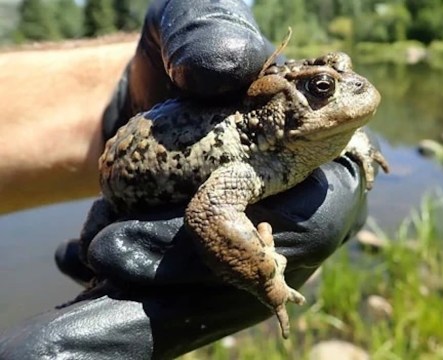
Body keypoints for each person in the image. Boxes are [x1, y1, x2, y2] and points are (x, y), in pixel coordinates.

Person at [0, 0, 379, 358]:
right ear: (277, 112)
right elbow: (211, 209)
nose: (357, 86)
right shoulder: (250, 158)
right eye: (322, 89)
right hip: (123, 193)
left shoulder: (283, 141)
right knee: (98, 264)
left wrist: (353, 141)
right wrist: (265, 275)